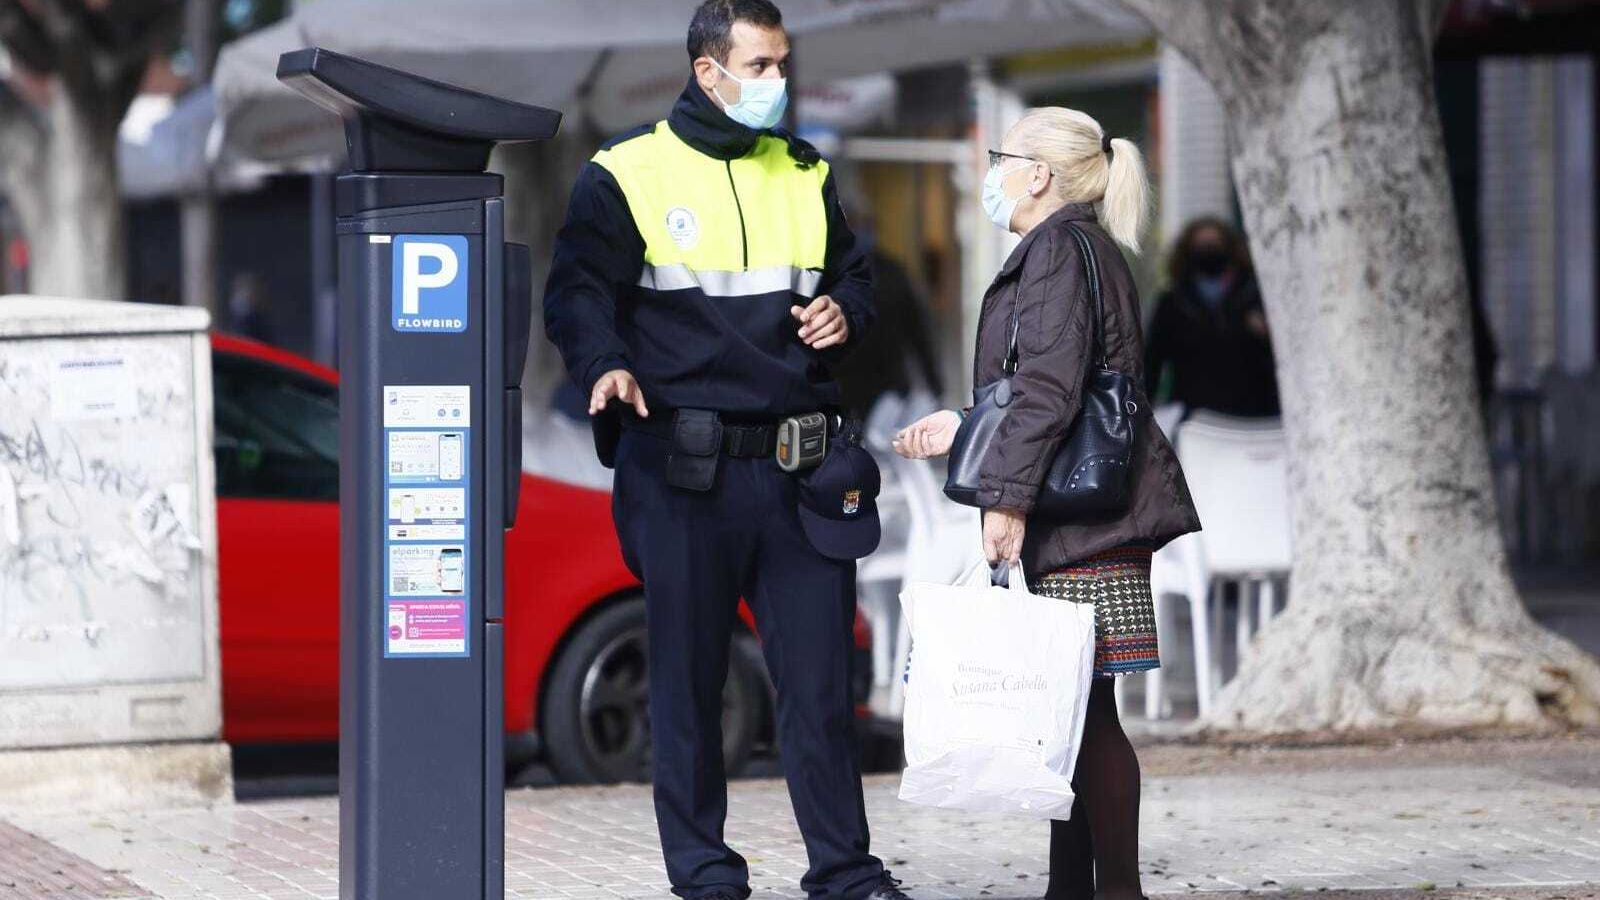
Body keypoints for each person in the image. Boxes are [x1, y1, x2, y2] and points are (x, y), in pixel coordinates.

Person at [542, 3, 908, 899]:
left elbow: (856, 276)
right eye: (760, 65)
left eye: (783, 63)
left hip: (800, 473)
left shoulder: (806, 171)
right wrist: (605, 363)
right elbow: (577, 291)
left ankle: (846, 874)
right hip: (683, 472)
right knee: (690, 688)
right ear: (709, 71)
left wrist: (847, 311)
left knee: (820, 692)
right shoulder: (624, 174)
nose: (776, 81)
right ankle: (706, 875)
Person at [893, 108, 1200, 900]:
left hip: (1087, 520)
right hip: (1094, 509)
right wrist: (965, 429)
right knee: (1067, 711)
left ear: (1039, 174)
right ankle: (1069, 892)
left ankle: (1118, 892)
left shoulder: (1060, 248)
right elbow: (1053, 386)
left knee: (1087, 714)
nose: (991, 171)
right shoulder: (1077, 246)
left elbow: (1052, 390)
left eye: (1001, 155)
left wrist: (1007, 500)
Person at [1143, 217, 1279, 417]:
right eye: (1201, 246)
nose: (1208, 250)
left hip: (1254, 414)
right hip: (1193, 415)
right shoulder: (1172, 304)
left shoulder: (1257, 297)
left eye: (1214, 244)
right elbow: (1152, 362)